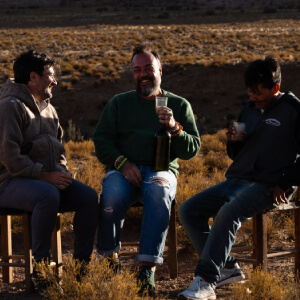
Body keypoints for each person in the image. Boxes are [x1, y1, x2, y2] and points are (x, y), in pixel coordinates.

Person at [177, 56, 300, 300]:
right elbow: (236, 154)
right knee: (188, 210)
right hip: (237, 179)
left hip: (269, 185)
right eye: (250, 93)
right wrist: (233, 141)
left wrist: (286, 183)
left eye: (258, 94)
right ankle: (228, 268)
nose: (253, 98)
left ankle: (205, 280)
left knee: (228, 213)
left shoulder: (294, 110)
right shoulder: (249, 109)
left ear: (275, 88)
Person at [93, 42, 200, 294]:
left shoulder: (179, 104)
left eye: (148, 68)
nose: (143, 75)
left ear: (160, 70)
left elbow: (191, 149)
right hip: (123, 169)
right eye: (137, 70)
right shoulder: (119, 104)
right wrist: (122, 163)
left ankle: (146, 270)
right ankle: (110, 262)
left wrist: (174, 127)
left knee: (159, 191)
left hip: (161, 170)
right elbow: (102, 141)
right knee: (112, 195)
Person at [0, 50, 98, 292]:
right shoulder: (9, 107)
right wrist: (44, 176)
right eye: (50, 75)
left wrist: (61, 173)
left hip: (44, 182)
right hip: (8, 183)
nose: (55, 81)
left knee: (87, 197)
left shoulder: (49, 109)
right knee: (47, 195)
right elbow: (9, 157)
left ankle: (81, 268)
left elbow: (60, 148)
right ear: (33, 77)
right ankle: (40, 272)